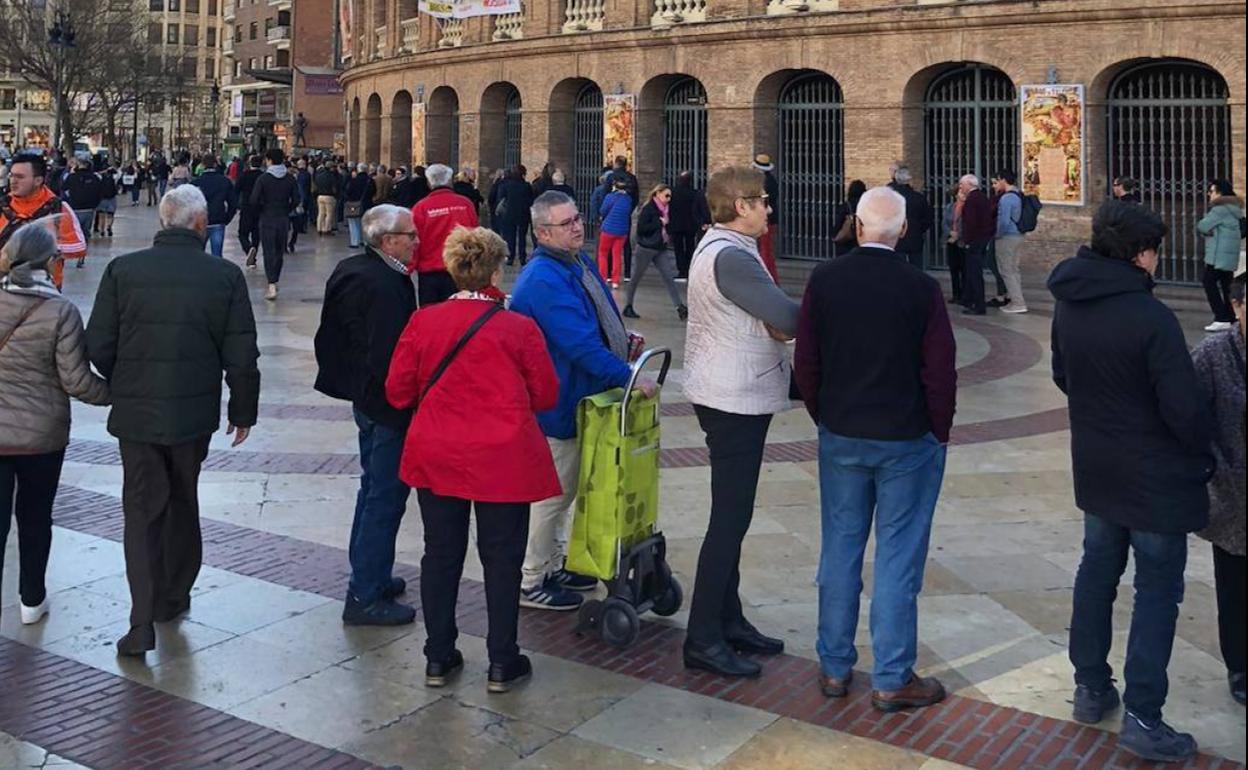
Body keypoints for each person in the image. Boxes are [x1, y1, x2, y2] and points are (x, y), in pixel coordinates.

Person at [1048, 200, 1214, 763]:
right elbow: (1184, 410)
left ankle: (1090, 686)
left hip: (1098, 467)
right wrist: (1201, 453)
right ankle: (1145, 714)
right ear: (1142, 254)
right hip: (1154, 479)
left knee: (1096, 572)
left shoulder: (1069, 305)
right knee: (1156, 592)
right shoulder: (1152, 318)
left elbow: (1062, 374)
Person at [794, 186, 957, 711]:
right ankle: (891, 676)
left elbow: (807, 362)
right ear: (904, 231)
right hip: (907, 438)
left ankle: (835, 667)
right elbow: (939, 370)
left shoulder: (824, 279)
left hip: (843, 432)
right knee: (897, 556)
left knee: (840, 548)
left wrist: (826, 414)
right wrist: (939, 429)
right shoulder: (921, 288)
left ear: (858, 226)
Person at [86, 185, 260, 657]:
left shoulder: (124, 271)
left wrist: (125, 376)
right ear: (202, 225)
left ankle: (139, 620)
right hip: (192, 414)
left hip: (137, 413)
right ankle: (174, 594)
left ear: (163, 221)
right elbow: (241, 352)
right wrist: (243, 409)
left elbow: (98, 344)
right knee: (183, 498)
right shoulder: (224, 276)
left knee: (141, 512)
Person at [386, 226, 560, 695]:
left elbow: (397, 391)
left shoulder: (424, 322)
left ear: (451, 268)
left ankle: (439, 656)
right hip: (503, 456)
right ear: (496, 270)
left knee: (440, 555)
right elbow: (546, 394)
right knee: (501, 559)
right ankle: (503, 660)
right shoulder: (518, 328)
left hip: (439, 452)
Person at [510, 190, 657, 611]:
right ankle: (532, 578)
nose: (577, 227)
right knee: (552, 495)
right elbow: (577, 345)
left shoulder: (575, 261)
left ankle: (555, 564)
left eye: (577, 219)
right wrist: (628, 375)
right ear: (542, 233)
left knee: (567, 491)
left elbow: (597, 315)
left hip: (580, 397)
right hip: (559, 402)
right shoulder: (543, 278)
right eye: (566, 223)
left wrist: (622, 340)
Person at [682, 165, 798, 678]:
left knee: (735, 516)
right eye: (763, 201)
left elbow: (769, 318)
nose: (769, 209)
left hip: (727, 389)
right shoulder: (732, 256)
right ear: (742, 204)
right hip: (733, 397)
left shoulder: (722, 248)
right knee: (729, 521)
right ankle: (703, 637)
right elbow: (789, 318)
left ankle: (729, 621)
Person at [0, 220, 110, 626]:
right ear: (49, 262)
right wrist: (119, 393)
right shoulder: (60, 310)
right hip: (41, 438)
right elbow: (77, 381)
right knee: (35, 518)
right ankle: (32, 599)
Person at [314, 205, 419, 626]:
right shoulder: (386, 284)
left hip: (364, 397)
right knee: (385, 496)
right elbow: (388, 353)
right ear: (387, 240)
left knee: (372, 487)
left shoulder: (354, 268)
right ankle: (365, 594)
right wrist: (398, 400)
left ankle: (370, 573)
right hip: (384, 403)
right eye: (409, 235)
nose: (416, 240)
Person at [1190, 272, 1246, 706]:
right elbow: (1191, 418)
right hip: (1233, 491)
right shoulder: (1212, 355)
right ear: (1236, 308)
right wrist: (1212, 469)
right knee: (1235, 586)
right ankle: (1240, 665)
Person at [0, 156, 87, 288]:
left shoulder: (58, 208)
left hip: (45, 289)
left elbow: (79, 247)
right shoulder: (3, 205)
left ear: (38, 180)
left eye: (20, 177)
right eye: (11, 175)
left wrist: (44, 246)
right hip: (4, 287)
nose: (13, 181)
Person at [411, 163, 480, 307]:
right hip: (460, 270)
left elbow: (415, 241)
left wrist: (410, 266)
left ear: (429, 183)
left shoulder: (421, 208)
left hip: (430, 273)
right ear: (450, 181)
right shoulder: (465, 204)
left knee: (431, 316)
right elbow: (475, 235)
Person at [622, 184, 686, 321]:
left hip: (660, 247)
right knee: (635, 278)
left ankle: (679, 306)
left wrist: (667, 226)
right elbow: (642, 229)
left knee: (669, 277)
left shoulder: (667, 209)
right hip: (646, 248)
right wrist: (659, 223)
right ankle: (628, 305)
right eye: (666, 195)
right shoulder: (649, 209)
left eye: (670, 196)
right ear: (657, 193)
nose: (668, 199)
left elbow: (669, 225)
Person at [250, 148, 300, 300]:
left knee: (268, 251)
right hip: (283, 219)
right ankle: (275, 279)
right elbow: (297, 199)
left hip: (267, 218)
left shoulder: (263, 179)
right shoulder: (290, 178)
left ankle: (271, 283)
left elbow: (253, 200)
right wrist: (287, 209)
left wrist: (261, 210)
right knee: (279, 251)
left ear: (269, 160)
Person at [1196, 179, 1243, 333]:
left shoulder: (1220, 209)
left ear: (1220, 192)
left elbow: (1202, 225)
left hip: (1218, 256)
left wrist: (1210, 231)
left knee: (1208, 282)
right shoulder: (1235, 208)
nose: (1209, 194)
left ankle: (1221, 318)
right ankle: (1230, 316)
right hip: (1229, 254)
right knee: (1226, 285)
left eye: (1212, 191)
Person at [991, 169, 1028, 314]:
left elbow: (1004, 222)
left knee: (1006, 270)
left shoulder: (1006, 199)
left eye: (996, 181)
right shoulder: (1018, 194)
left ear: (1002, 180)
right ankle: (1016, 300)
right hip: (1018, 235)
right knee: (1014, 270)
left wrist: (997, 235)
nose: (994, 185)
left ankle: (1018, 302)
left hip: (1007, 237)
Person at [957, 174, 994, 315]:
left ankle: (978, 305)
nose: (960, 187)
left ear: (969, 185)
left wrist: (967, 241)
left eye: (962, 184)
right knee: (973, 272)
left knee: (974, 273)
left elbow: (971, 223)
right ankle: (971, 300)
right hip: (982, 239)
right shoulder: (981, 197)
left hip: (975, 241)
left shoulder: (972, 200)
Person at [192, 156, 239, 258]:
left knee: (197, 254)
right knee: (217, 255)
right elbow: (233, 203)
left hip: (200, 221)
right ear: (215, 164)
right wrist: (226, 218)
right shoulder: (224, 181)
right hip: (217, 220)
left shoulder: (196, 183)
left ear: (203, 165)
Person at [888, 166, 933, 270]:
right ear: (909, 179)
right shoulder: (919, 198)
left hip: (896, 239)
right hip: (915, 238)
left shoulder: (890, 198)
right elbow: (928, 219)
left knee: (898, 270)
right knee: (916, 269)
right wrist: (918, 229)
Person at [668, 171, 710, 279]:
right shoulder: (695, 193)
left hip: (676, 224)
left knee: (678, 248)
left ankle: (681, 271)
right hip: (691, 225)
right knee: (690, 247)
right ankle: (689, 269)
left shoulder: (673, 192)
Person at [495, 167, 535, 266]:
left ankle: (510, 257)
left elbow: (500, 198)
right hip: (523, 214)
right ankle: (522, 257)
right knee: (522, 237)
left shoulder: (505, 185)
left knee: (510, 237)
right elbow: (531, 200)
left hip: (509, 214)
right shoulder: (526, 186)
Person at [597, 178, 632, 288]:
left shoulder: (610, 197)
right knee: (617, 255)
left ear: (614, 187)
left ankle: (603, 277)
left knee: (603, 253)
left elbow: (603, 210)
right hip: (622, 231)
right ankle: (615, 280)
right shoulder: (628, 199)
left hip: (608, 229)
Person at [751, 154, 781, 283]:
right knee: (765, 251)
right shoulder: (770, 181)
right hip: (767, 220)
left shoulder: (766, 183)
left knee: (765, 251)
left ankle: (768, 279)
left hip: (766, 220)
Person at [62, 159, 102, 248]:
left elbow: (64, 189)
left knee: (76, 230)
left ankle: (77, 248)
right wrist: (95, 204)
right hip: (89, 208)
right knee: (86, 231)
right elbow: (99, 192)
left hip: (75, 207)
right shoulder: (94, 177)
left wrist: (71, 198)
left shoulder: (71, 177)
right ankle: (84, 247)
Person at [235, 155, 264, 267]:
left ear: (250, 163)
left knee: (242, 233)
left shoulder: (244, 175)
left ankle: (248, 249)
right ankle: (254, 253)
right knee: (256, 233)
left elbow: (236, 190)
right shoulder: (263, 176)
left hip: (246, 207)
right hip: (260, 208)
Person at [941, 184, 965, 304]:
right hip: (951, 240)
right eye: (960, 192)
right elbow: (944, 222)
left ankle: (965, 294)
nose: (963, 195)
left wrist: (958, 235)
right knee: (953, 268)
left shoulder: (968, 207)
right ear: (956, 195)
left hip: (962, 241)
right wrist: (950, 232)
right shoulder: (950, 207)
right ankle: (956, 294)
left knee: (964, 269)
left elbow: (967, 224)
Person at [344, 163, 374, 249]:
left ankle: (354, 242)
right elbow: (373, 191)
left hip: (354, 204)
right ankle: (364, 241)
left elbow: (348, 191)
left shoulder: (354, 180)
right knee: (365, 224)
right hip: (366, 204)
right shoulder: (370, 180)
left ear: (358, 170)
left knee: (353, 223)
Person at [832, 180, 867, 254]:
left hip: (846, 243)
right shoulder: (865, 205)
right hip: (861, 241)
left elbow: (838, 223)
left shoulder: (846, 206)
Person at [288, 157, 312, 252]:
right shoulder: (298, 181)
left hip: (288, 207)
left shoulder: (290, 182)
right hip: (294, 206)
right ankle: (291, 243)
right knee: (294, 227)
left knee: (288, 227)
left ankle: (288, 243)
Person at [313, 161, 341, 235]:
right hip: (329, 196)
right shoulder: (331, 176)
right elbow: (334, 188)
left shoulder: (319, 175)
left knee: (321, 213)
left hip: (320, 196)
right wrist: (335, 194)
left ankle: (319, 229)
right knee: (329, 214)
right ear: (330, 167)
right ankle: (327, 229)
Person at [94, 166, 118, 237]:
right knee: (110, 215)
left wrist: (103, 171)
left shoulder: (100, 177)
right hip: (112, 198)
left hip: (102, 198)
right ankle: (109, 226)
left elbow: (95, 174)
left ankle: (102, 230)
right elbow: (119, 172)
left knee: (101, 216)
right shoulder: (114, 177)